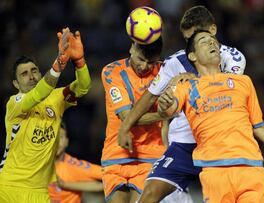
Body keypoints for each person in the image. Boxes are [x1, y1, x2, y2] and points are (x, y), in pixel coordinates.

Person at [157, 30, 264, 202]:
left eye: (213, 40)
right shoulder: (187, 86)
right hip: (215, 173)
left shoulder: (244, 82)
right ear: (193, 56)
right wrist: (164, 103)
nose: (212, 43)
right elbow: (168, 109)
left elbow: (260, 127)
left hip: (251, 170)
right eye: (204, 41)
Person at [118, 6, 246, 202]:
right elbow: (150, 95)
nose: (190, 45)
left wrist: (191, 83)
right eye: (187, 40)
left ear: (212, 31)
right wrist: (125, 128)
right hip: (184, 143)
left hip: (218, 142)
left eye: (195, 37)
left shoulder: (233, 58)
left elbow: (223, 93)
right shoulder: (175, 61)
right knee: (150, 193)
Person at [0, 28, 91, 202]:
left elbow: (83, 87)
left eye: (34, 71)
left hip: (40, 191)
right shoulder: (15, 102)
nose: (31, 76)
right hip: (9, 187)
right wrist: (58, 65)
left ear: (40, 74)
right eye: (24, 74)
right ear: (15, 84)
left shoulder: (56, 98)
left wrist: (79, 61)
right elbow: (37, 94)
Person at [101, 35, 167, 202]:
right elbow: (127, 117)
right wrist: (162, 115)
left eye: (151, 62)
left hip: (150, 154)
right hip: (116, 153)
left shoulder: (165, 70)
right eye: (141, 59)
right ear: (132, 48)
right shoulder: (111, 71)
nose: (144, 66)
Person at [48, 122, 103, 203]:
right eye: (52, 137)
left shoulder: (75, 166)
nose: (56, 142)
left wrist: (65, 185)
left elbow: (107, 176)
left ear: (66, 142)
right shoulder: (36, 163)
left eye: (61, 137)